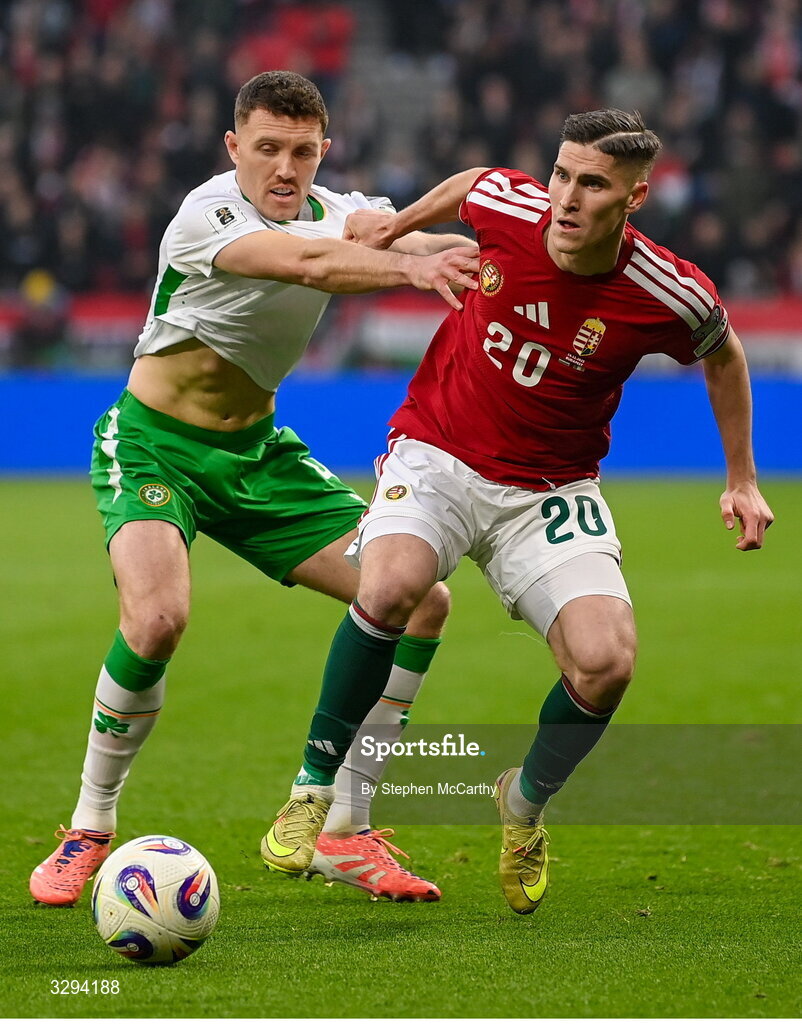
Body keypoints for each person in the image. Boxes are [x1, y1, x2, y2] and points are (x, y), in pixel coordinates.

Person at [261, 109, 774, 914]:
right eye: (562, 174)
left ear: (634, 198)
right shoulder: (515, 204)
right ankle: (312, 790)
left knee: (607, 662)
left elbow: (724, 352)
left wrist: (741, 477)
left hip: (551, 490)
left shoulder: (666, 291)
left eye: (592, 185)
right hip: (438, 452)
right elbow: (472, 185)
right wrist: (396, 226)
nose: (565, 198)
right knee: (391, 586)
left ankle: (524, 805)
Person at [29, 70, 479, 908]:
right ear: (233, 147)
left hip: (258, 456)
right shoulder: (208, 215)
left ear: (323, 152)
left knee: (423, 601)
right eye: (266, 148)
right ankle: (90, 827)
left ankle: (345, 829)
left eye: (302, 151)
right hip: (157, 447)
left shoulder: (339, 209)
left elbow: (409, 242)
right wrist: (408, 271)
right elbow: (310, 264)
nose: (284, 167)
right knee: (157, 618)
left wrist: (490, 260)